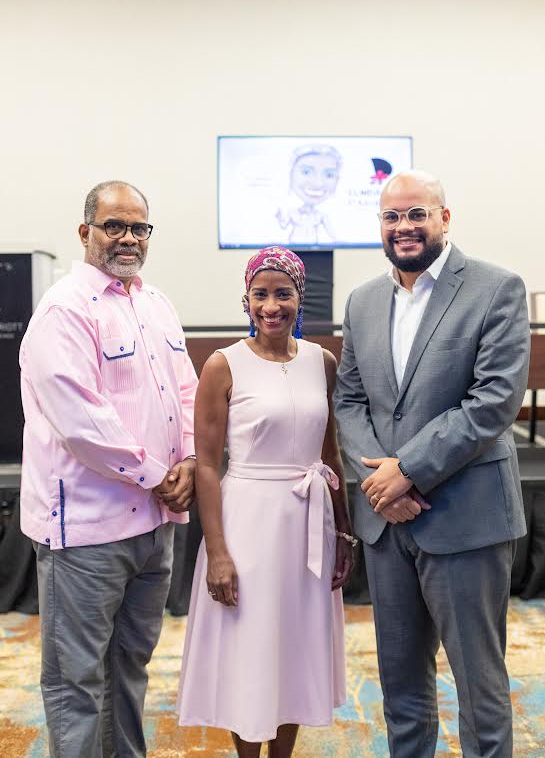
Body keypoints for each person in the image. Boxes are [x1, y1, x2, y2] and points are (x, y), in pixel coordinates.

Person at [334, 170, 530, 758]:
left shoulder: (497, 289)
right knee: (401, 687)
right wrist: (379, 482)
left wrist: (407, 471)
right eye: (392, 217)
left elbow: (493, 401)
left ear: (444, 218)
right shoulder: (363, 301)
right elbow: (348, 399)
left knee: (480, 686)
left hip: (465, 519)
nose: (404, 227)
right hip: (386, 524)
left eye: (417, 214)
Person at [19, 180, 198, 758]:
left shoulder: (155, 304)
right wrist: (158, 475)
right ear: (85, 232)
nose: (127, 238)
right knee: (76, 683)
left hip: (153, 528)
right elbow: (82, 421)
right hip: (87, 535)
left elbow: (188, 392)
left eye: (138, 228)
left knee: (130, 670)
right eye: (114, 226)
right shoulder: (62, 309)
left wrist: (191, 460)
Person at [177, 245, 354, 758]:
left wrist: (343, 532)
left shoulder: (322, 361)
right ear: (246, 299)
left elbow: (331, 452)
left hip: (309, 525)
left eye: (284, 293)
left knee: (294, 653)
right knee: (250, 652)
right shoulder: (222, 364)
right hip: (248, 522)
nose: (271, 305)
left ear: (301, 298)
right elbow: (207, 464)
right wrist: (217, 552)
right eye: (261, 294)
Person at [276, 145, 341, 243]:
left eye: (329, 175)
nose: (318, 183)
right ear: (290, 174)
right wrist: (279, 216)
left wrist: (339, 242)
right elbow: (283, 225)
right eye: (306, 172)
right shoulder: (293, 213)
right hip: (293, 246)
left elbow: (331, 233)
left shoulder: (320, 215)